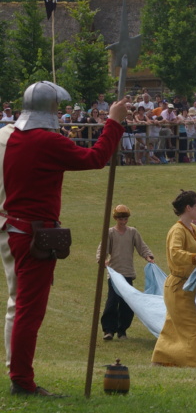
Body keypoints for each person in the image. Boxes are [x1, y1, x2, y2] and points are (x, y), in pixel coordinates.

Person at [0, 80, 126, 396]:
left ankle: (19, 376)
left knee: (24, 308)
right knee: (30, 311)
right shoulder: (46, 141)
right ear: (52, 109)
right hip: (33, 235)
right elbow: (96, 158)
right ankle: (22, 381)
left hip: (18, 231)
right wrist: (114, 122)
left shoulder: (16, 136)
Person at [151, 190, 196, 369]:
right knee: (193, 326)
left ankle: (161, 360)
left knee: (172, 326)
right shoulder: (177, 230)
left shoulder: (193, 228)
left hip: (186, 287)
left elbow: (193, 252)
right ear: (188, 208)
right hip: (177, 287)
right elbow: (176, 253)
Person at [97, 204, 155, 341]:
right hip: (114, 274)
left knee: (127, 304)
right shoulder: (110, 233)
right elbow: (102, 248)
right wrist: (102, 260)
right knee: (112, 301)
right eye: (120, 218)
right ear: (115, 218)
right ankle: (109, 330)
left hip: (128, 273)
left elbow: (142, 246)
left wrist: (148, 256)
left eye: (125, 218)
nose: (123, 221)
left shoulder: (132, 232)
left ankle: (122, 330)